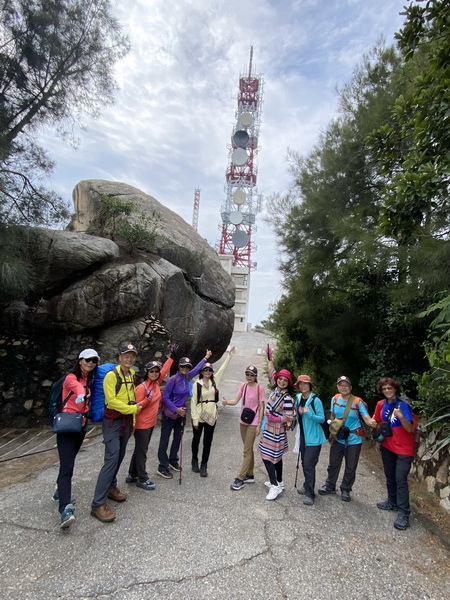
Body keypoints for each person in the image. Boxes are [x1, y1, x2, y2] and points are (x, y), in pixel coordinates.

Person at [91, 343, 144, 523]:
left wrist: (133, 419)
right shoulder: (111, 377)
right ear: (119, 357)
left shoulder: (132, 375)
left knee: (120, 456)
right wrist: (133, 410)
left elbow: (132, 399)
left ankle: (112, 487)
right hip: (113, 421)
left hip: (127, 422)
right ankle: (97, 504)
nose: (129, 358)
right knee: (111, 458)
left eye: (132, 356)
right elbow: (111, 402)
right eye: (126, 355)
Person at [54, 348, 99, 529]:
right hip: (66, 427)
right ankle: (65, 509)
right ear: (80, 360)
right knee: (68, 467)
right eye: (87, 359)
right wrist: (81, 393)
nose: (90, 363)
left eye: (94, 360)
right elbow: (75, 386)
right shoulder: (70, 378)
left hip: (80, 427)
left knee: (69, 461)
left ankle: (59, 491)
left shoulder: (92, 380)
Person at [125, 344, 178, 490]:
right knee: (142, 451)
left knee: (139, 450)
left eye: (156, 371)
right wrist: (146, 400)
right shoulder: (142, 387)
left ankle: (132, 474)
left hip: (150, 423)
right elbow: (135, 406)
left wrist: (172, 356)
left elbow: (165, 370)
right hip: (142, 425)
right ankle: (142, 478)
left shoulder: (155, 384)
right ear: (147, 373)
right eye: (152, 371)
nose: (155, 373)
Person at [319, 376, 376, 502]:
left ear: (350, 387)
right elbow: (333, 416)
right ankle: (330, 485)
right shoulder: (335, 399)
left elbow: (365, 417)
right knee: (333, 464)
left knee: (350, 466)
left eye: (346, 385)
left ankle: (345, 489)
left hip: (354, 438)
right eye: (341, 385)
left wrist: (371, 422)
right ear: (338, 387)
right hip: (338, 437)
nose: (343, 387)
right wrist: (331, 432)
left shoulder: (357, 402)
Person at [157, 349, 212, 479]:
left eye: (187, 367)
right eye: (183, 366)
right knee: (164, 441)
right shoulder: (173, 379)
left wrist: (206, 358)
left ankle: (172, 461)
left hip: (180, 415)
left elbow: (198, 368)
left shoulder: (187, 377)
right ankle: (162, 467)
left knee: (177, 439)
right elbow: (165, 398)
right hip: (170, 414)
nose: (185, 368)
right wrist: (176, 409)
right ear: (179, 367)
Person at [373, 377, 415, 530]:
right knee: (390, 476)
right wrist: (378, 441)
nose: (387, 391)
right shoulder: (380, 404)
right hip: (387, 446)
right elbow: (379, 423)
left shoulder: (403, 405)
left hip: (404, 449)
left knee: (400, 479)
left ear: (395, 389)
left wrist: (401, 416)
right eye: (384, 389)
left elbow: (410, 428)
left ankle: (404, 513)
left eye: (389, 388)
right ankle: (392, 502)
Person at [191, 347, 235, 477]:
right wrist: (194, 419)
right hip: (199, 415)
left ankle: (204, 465)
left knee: (207, 442)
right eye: (206, 369)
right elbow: (193, 402)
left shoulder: (214, 381)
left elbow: (222, 369)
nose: (208, 372)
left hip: (211, 415)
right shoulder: (197, 384)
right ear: (202, 371)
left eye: (210, 370)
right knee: (196, 439)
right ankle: (194, 460)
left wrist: (229, 356)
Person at [223, 365, 265, 491]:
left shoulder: (259, 388)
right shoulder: (244, 386)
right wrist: (227, 402)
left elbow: (262, 407)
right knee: (248, 449)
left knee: (246, 451)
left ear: (256, 376)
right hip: (243, 420)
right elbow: (236, 400)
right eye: (248, 374)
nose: (249, 377)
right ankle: (250, 474)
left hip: (254, 422)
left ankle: (240, 478)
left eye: (252, 375)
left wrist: (259, 425)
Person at [259, 351, 294, 501]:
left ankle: (274, 485)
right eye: (280, 379)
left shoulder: (287, 398)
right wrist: (270, 359)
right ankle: (279, 482)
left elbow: (289, 417)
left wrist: (274, 417)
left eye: (284, 381)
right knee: (276, 457)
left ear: (288, 383)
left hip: (276, 431)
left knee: (268, 457)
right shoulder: (275, 390)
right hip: (268, 429)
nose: (281, 382)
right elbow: (271, 372)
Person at [293, 374, 327, 506]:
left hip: (314, 437)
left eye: (305, 384)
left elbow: (322, 418)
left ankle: (310, 493)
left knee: (308, 464)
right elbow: (297, 414)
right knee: (304, 463)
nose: (303, 386)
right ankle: (307, 484)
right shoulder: (298, 398)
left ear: (310, 385)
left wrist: (308, 413)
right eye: (301, 384)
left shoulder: (315, 400)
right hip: (303, 436)